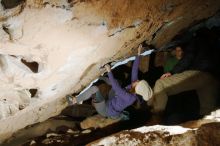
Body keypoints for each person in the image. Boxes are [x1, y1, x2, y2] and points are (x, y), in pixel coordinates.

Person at [66, 44, 153, 120]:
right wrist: (138, 54)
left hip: (106, 110)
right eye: (139, 80)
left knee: (94, 89)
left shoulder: (130, 98)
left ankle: (74, 100)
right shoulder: (134, 86)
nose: (137, 80)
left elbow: (117, 89)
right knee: (117, 82)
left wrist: (109, 71)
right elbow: (134, 71)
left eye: (138, 82)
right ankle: (101, 78)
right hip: (112, 100)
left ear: (137, 88)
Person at [148, 36, 220, 116]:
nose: (179, 52)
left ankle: (157, 115)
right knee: (209, 111)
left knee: (161, 83)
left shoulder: (194, 40)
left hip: (199, 74)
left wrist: (172, 72)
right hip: (212, 77)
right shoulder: (210, 43)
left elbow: (188, 58)